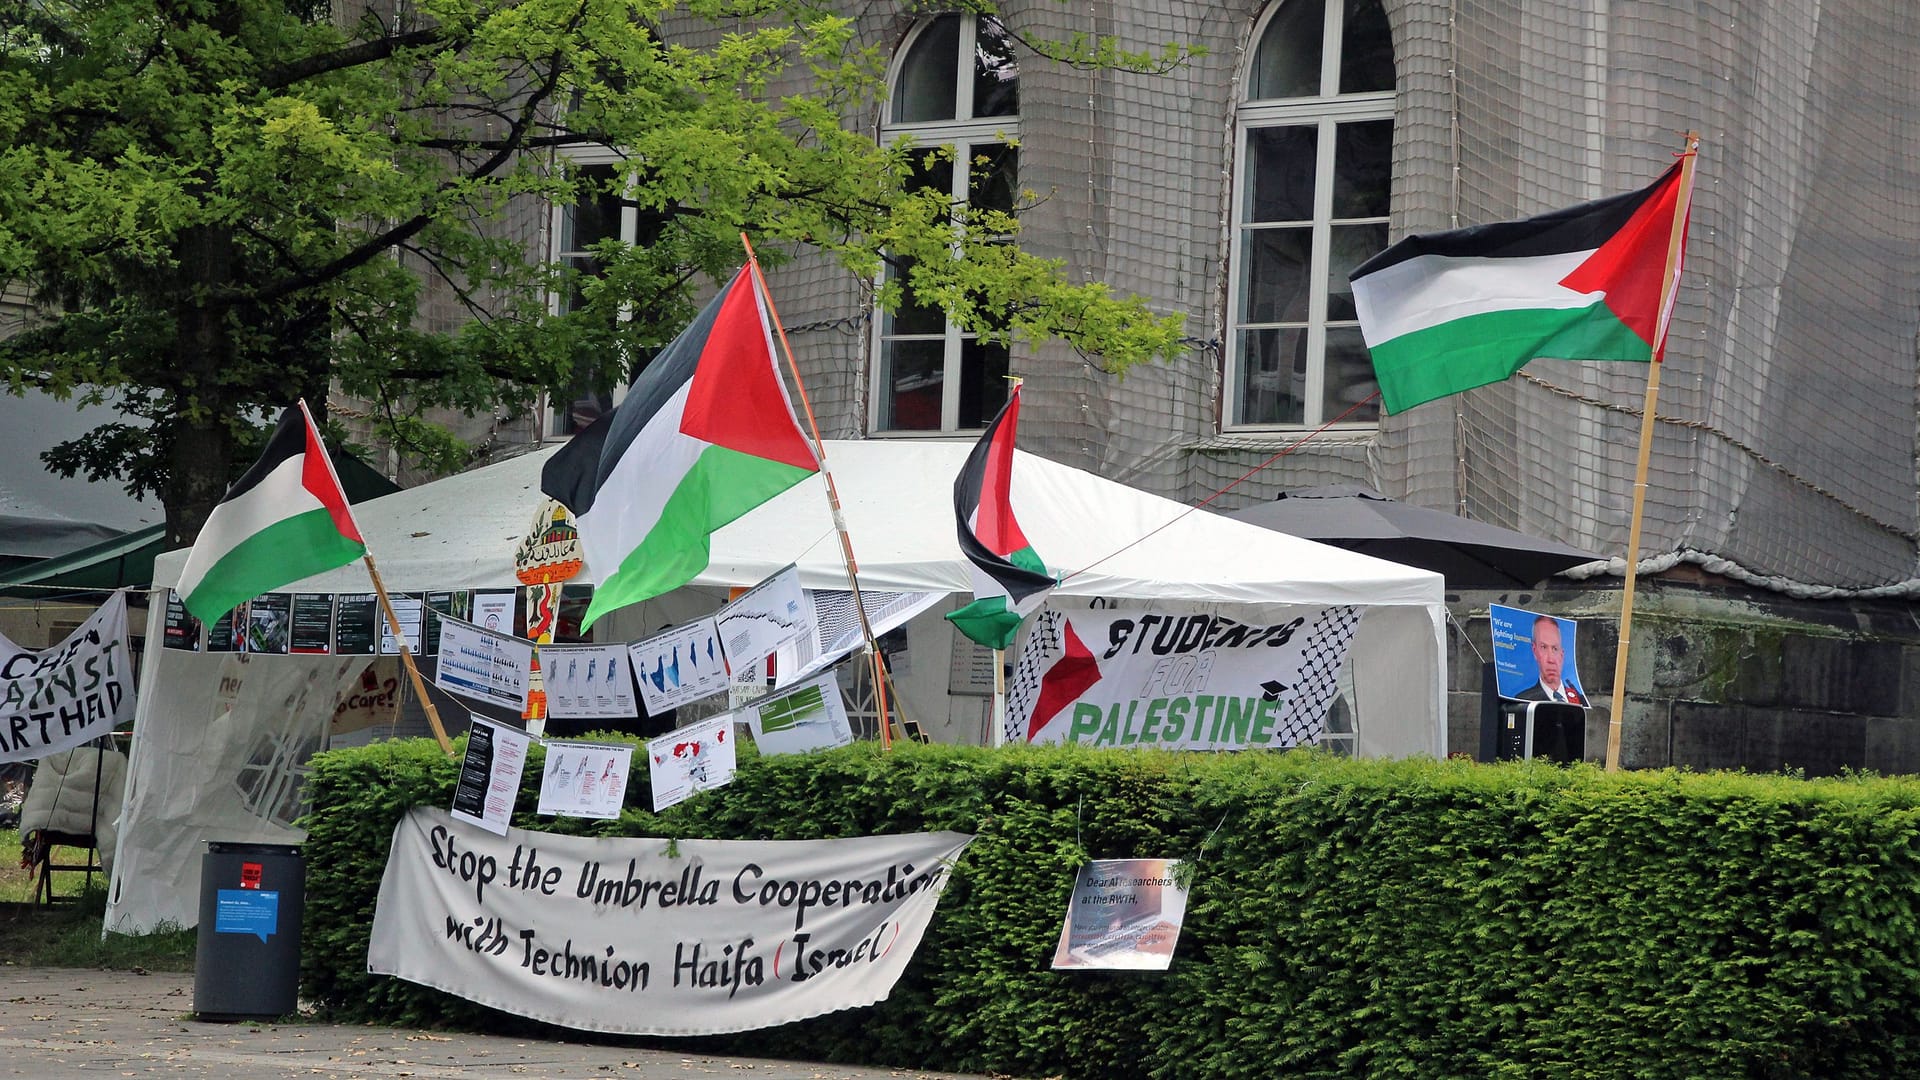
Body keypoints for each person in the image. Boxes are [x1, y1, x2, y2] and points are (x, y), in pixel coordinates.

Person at [1516, 615, 1586, 705]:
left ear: (1562, 655)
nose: (1551, 659)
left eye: (1555, 648)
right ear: (1534, 650)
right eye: (1544, 647)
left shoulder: (1580, 699)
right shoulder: (1523, 701)